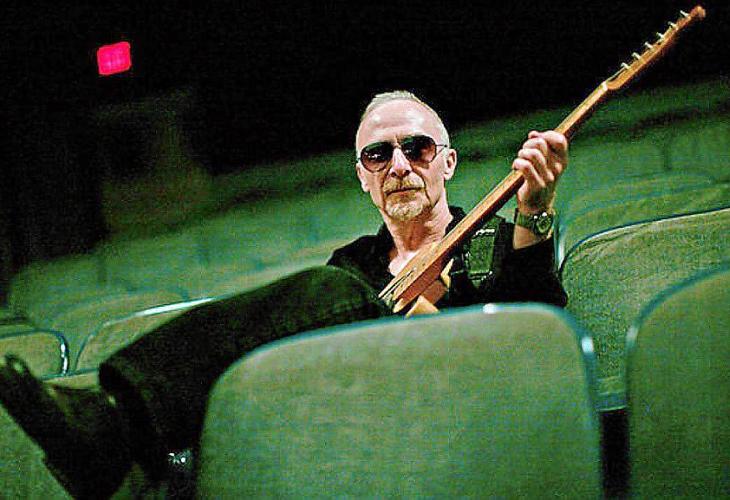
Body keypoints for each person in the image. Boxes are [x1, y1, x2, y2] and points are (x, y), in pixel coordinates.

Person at [0, 90, 568, 498]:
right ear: (363, 177)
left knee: (332, 293)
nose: (397, 166)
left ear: (448, 162)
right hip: (359, 434)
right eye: (378, 155)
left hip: (466, 416)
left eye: (416, 148)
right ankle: (132, 444)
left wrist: (534, 214)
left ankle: (115, 424)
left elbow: (536, 336)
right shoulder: (353, 264)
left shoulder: (501, 238)